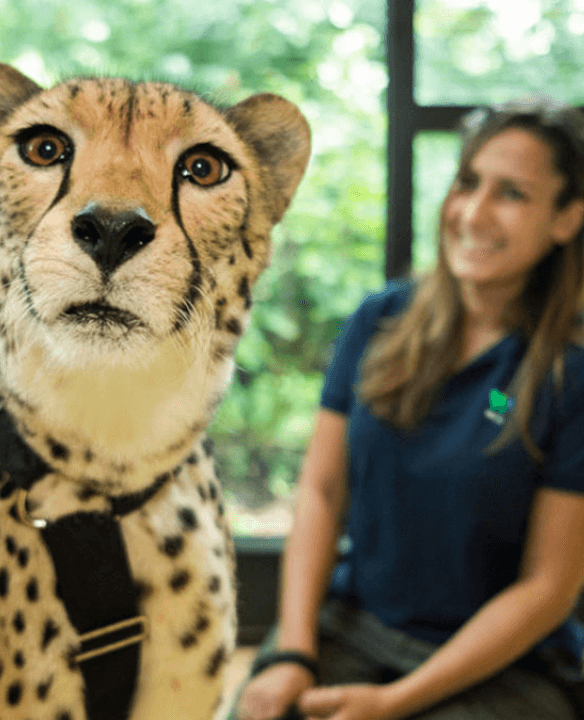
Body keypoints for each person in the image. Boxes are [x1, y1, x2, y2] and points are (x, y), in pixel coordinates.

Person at [232, 97, 584, 720]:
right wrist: (293, 651)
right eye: (467, 183)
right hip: (353, 626)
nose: (473, 214)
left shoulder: (569, 375)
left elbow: (548, 588)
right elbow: (320, 488)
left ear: (566, 219)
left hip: (503, 664)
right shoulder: (379, 320)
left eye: (512, 194)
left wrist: (394, 704)